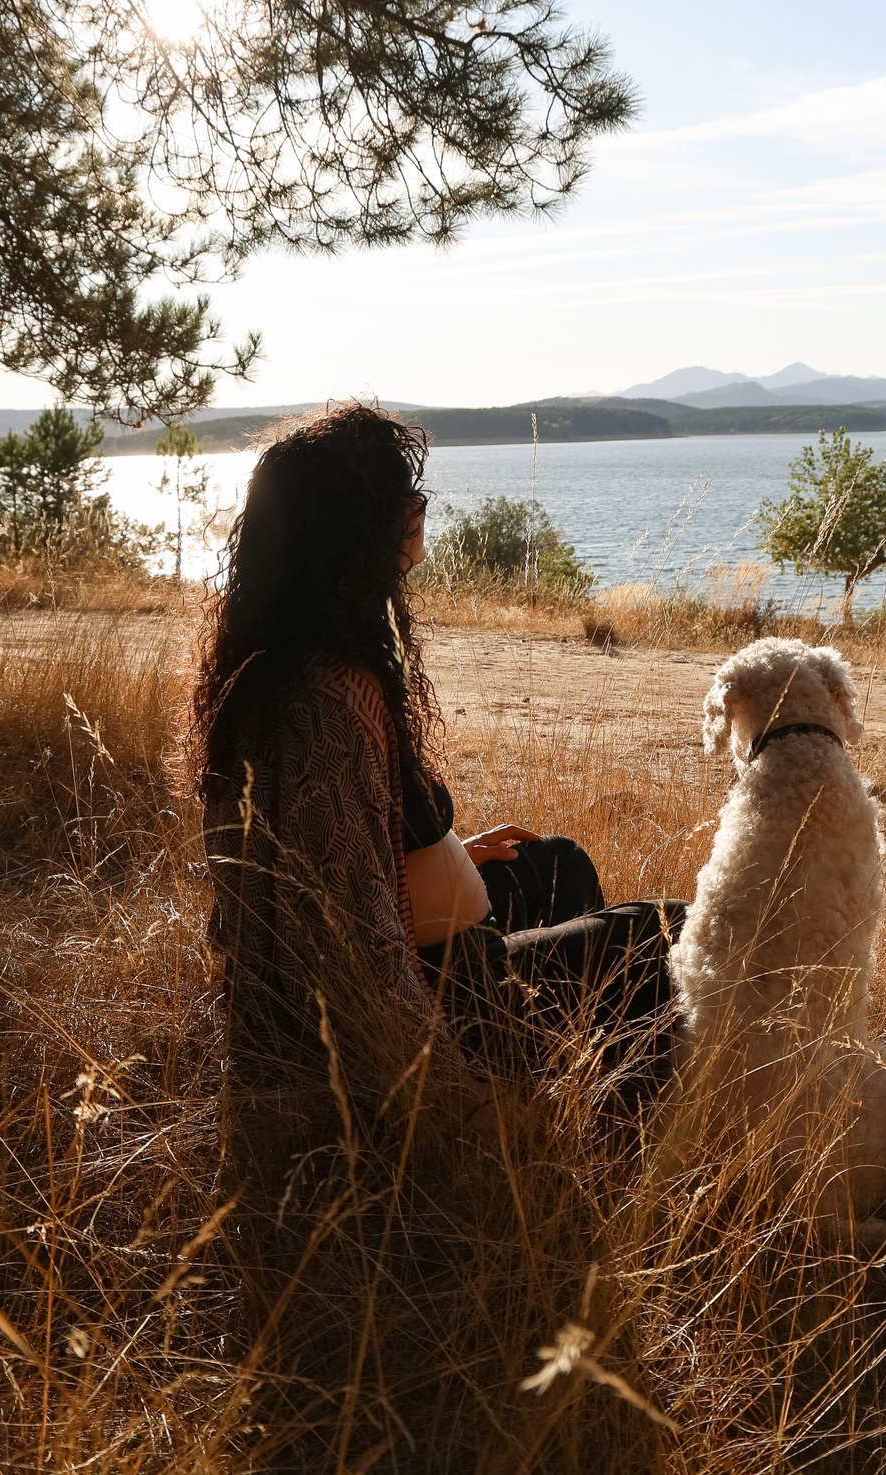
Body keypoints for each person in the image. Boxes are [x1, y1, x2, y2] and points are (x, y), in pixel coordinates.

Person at [188, 403, 676, 1466]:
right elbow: (342, 949)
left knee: (555, 867)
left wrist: (453, 851)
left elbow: (332, 877)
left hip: (438, 944)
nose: (419, 514)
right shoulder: (321, 698)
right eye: (397, 499)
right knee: (659, 935)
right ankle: (599, 1184)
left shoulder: (299, 659)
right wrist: (473, 1111)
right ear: (349, 529)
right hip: (433, 1002)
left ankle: (599, 1121)